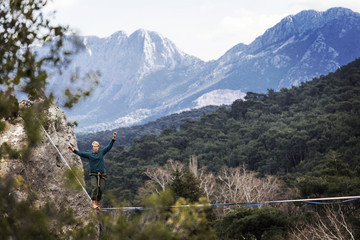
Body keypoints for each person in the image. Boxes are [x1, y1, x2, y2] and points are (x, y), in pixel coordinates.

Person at [68, 132, 117, 209]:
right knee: (94, 187)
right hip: (93, 174)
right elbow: (81, 153)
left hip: (102, 174)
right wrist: (72, 150)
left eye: (97, 147)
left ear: (98, 147)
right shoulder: (89, 155)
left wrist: (113, 138)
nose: (96, 148)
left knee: (101, 189)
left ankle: (97, 203)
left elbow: (109, 147)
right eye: (94, 147)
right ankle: (93, 203)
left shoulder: (101, 152)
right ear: (92, 147)